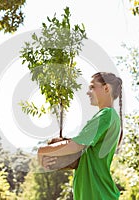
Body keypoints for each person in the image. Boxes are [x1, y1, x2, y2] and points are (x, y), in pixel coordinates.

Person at [42, 72, 123, 200]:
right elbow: (83, 155)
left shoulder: (106, 114)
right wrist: (54, 158)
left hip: (98, 195)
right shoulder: (109, 117)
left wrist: (43, 152)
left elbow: (76, 145)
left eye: (92, 87)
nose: (88, 92)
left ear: (106, 88)